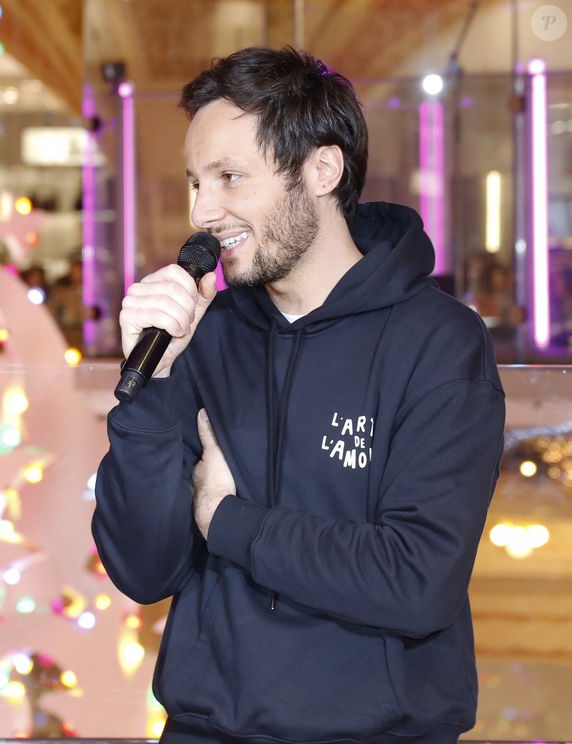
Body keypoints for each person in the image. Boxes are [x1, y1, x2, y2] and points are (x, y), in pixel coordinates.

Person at [92, 46, 505, 744]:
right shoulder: (204, 337)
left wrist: (227, 519)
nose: (203, 211)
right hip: (205, 728)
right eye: (195, 182)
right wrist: (154, 390)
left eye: (229, 178)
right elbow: (142, 569)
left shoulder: (438, 344)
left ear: (321, 168)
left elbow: (416, 579)